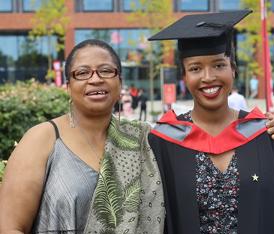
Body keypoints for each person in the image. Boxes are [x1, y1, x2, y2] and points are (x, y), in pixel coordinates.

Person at [148, 10, 274, 234]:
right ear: (184, 78)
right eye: (195, 68)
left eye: (219, 65)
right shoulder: (164, 141)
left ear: (234, 70)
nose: (208, 77)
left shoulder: (264, 133)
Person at [0, 39, 164, 234]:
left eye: (106, 70)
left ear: (120, 82)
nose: (95, 79)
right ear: (68, 86)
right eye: (82, 73)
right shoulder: (42, 138)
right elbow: (9, 227)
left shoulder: (143, 139)